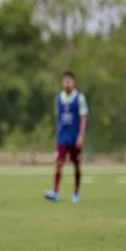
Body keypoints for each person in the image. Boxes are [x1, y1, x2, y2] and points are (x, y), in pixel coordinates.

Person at [44, 71, 89, 203]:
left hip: (74, 136)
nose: (67, 83)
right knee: (59, 163)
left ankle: (76, 193)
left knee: (76, 164)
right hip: (62, 137)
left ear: (74, 83)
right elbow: (58, 119)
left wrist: (81, 136)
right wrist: (56, 137)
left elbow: (83, 118)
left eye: (69, 81)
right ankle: (55, 192)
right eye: (65, 81)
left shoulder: (79, 98)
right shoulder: (59, 98)